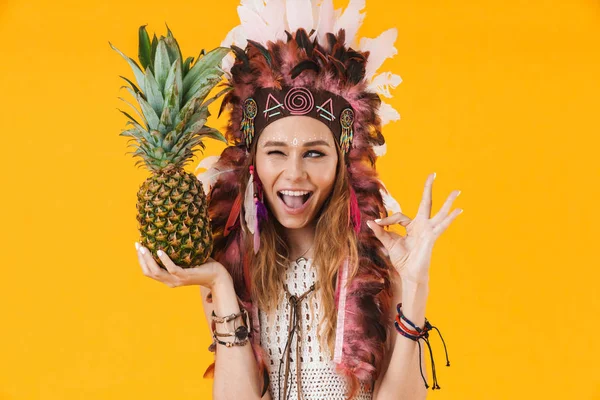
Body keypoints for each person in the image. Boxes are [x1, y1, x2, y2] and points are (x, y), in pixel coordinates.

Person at [135, 1, 462, 399]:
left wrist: (414, 285)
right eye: (276, 152)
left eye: (314, 153)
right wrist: (220, 284)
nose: (294, 174)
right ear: (251, 162)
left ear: (343, 164)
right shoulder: (235, 266)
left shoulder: (377, 263)